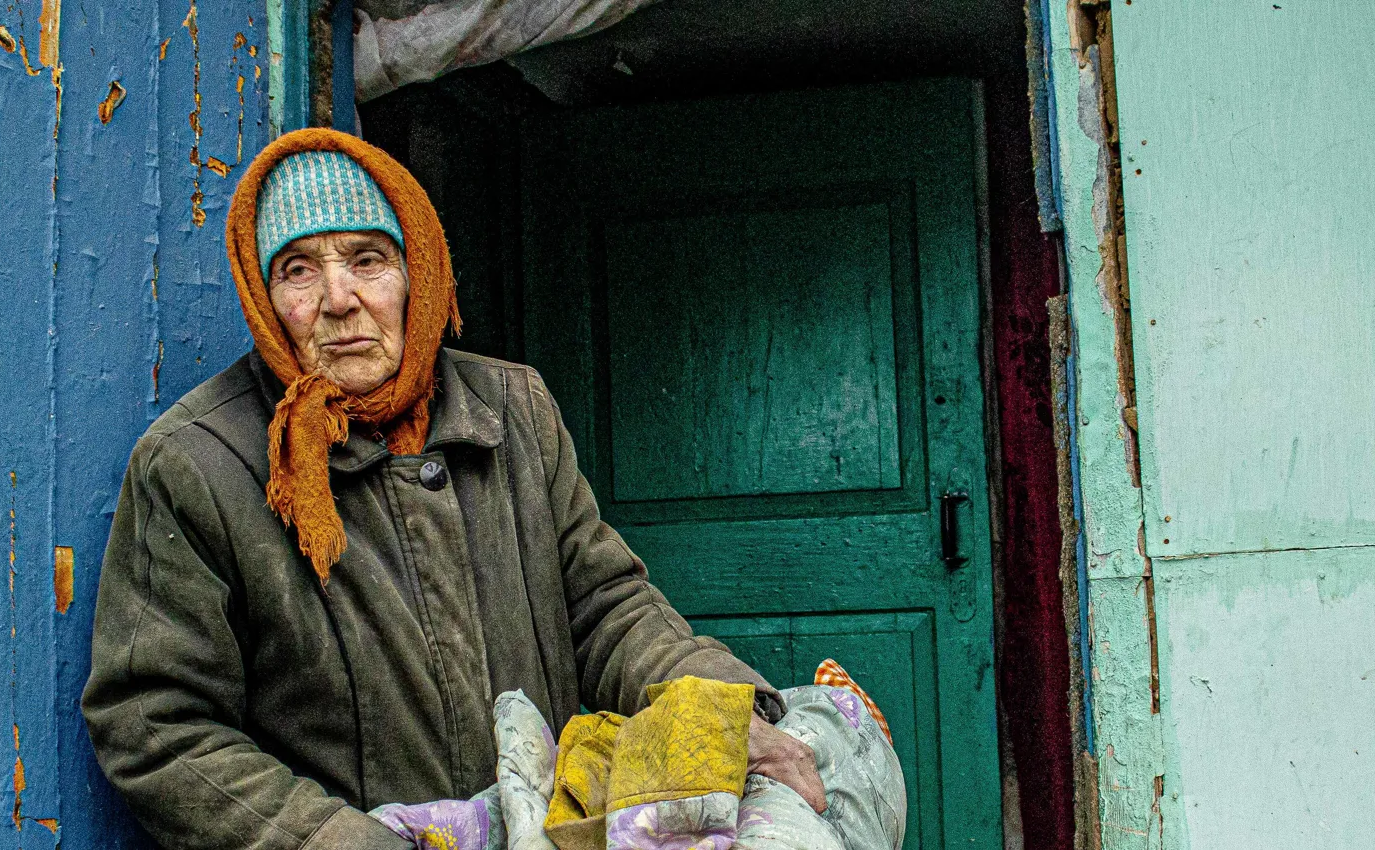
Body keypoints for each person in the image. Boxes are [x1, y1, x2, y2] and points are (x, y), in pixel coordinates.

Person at [82, 128, 824, 850]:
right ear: (264, 296)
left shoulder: (513, 410)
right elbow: (156, 725)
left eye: (367, 259)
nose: (338, 299)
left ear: (419, 273)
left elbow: (605, 607)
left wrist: (722, 713)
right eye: (298, 270)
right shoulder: (198, 463)